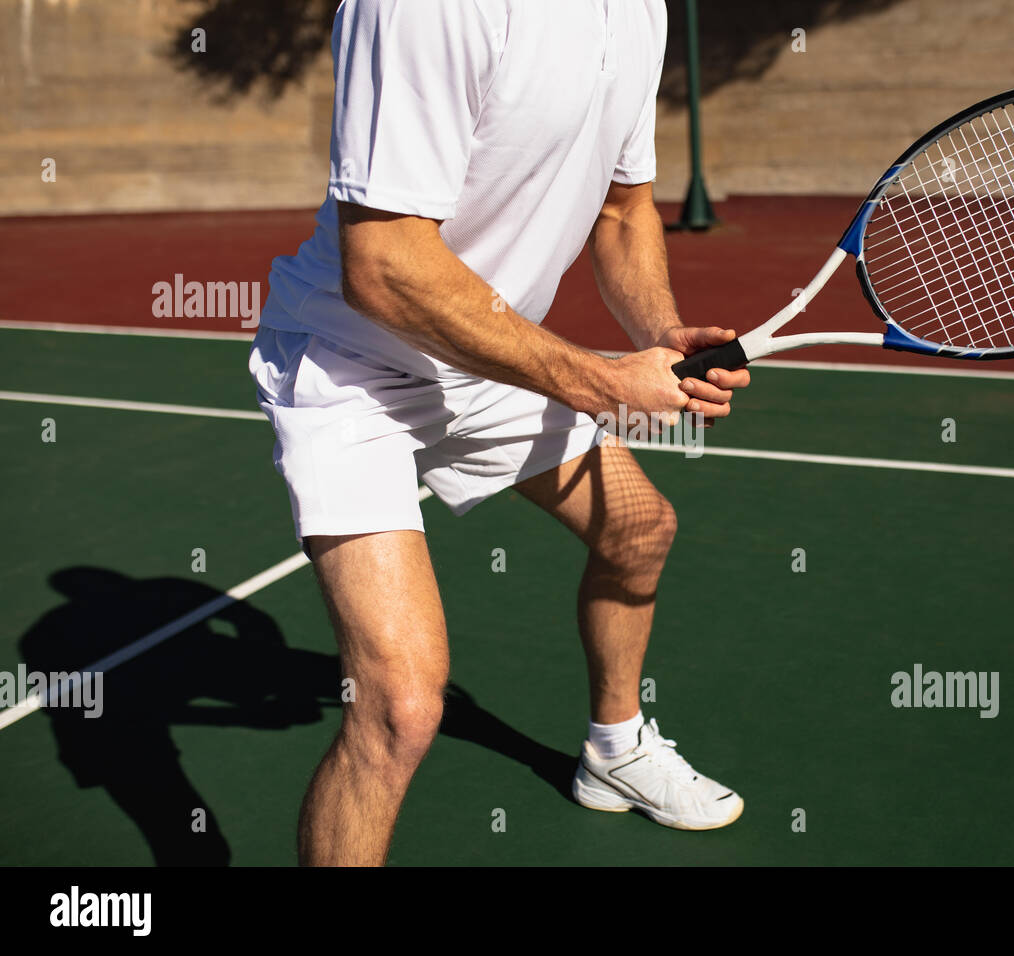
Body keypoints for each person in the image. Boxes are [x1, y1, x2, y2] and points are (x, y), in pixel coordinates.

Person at [247, 0, 750, 865]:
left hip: (493, 347)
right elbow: (385, 263)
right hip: (354, 367)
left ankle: (616, 752)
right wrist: (597, 379)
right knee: (401, 707)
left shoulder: (637, 12)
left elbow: (624, 210)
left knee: (638, 530)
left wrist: (657, 333)